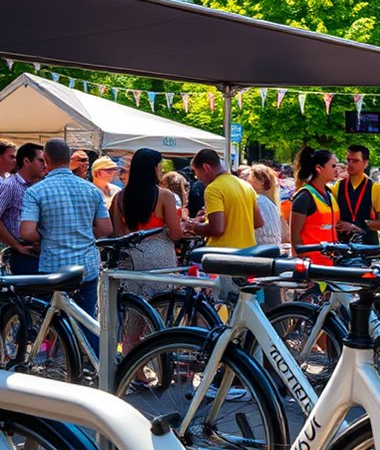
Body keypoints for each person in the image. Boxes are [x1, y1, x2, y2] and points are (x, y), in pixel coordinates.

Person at [20, 138, 112, 351]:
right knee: (88, 318)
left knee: (52, 319)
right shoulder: (92, 190)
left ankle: (58, 360)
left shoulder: (36, 191)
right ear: (68, 159)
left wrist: (51, 236)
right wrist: (81, 235)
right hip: (86, 266)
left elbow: (26, 232)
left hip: (54, 266)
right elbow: (106, 229)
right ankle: (95, 365)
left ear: (47, 160)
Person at [109, 148, 183, 296]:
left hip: (132, 258)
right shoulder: (164, 195)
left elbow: (117, 234)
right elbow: (176, 234)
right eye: (159, 167)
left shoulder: (120, 197)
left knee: (135, 309)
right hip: (160, 256)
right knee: (159, 308)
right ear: (153, 169)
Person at [184, 148, 263, 249]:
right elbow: (258, 222)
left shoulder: (213, 188)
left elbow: (216, 229)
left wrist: (192, 226)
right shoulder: (245, 185)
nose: (197, 177)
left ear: (206, 167)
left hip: (223, 254)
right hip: (248, 251)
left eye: (196, 172)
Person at [332, 145, 380, 245]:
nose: (349, 164)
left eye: (355, 161)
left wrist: (357, 226)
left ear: (365, 163)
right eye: (348, 160)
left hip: (367, 248)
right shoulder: (338, 186)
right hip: (342, 247)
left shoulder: (375, 188)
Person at [0, 142, 45, 274]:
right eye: (41, 161)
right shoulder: (10, 185)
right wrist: (17, 246)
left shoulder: (37, 186)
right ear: (26, 161)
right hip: (21, 255)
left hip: (38, 252)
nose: (45, 165)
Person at [289, 148, 340, 264]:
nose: (337, 170)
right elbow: (295, 237)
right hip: (312, 266)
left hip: (330, 263)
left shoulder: (329, 193)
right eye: (333, 166)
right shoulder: (304, 196)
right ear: (319, 168)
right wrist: (304, 261)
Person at [247, 164, 283, 247]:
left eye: (249, 176)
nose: (246, 180)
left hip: (260, 249)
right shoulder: (269, 202)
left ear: (261, 182)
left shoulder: (258, 201)